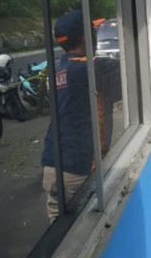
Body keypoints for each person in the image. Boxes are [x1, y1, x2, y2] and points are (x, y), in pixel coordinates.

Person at [40, 11, 121, 222]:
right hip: (79, 169)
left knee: (58, 238)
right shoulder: (94, 69)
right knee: (87, 233)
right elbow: (141, 72)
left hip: (52, 167)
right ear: (86, 37)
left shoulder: (58, 71)